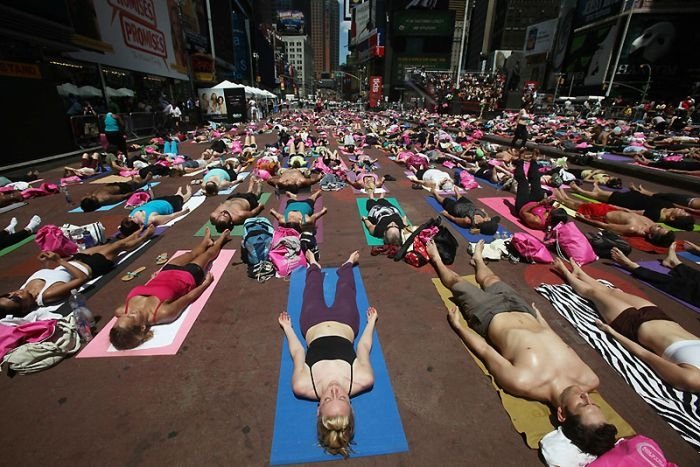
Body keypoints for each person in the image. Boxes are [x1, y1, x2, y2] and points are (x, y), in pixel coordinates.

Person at [428, 240, 618, 455]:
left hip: (488, 315)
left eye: (583, 405)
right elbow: (559, 343)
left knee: (457, 282)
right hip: (524, 312)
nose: (586, 396)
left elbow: (486, 351)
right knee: (492, 279)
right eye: (594, 403)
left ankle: (436, 259)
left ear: (562, 415)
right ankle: (478, 260)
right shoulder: (589, 378)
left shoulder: (524, 382)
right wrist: (541, 319)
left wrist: (459, 327)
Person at [277, 250, 377, 458]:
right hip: (347, 322)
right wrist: (371, 323)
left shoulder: (303, 385)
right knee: (346, 289)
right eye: (340, 397)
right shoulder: (363, 379)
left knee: (311, 289)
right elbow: (363, 348)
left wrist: (288, 328)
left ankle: (313, 263)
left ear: (318, 410)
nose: (333, 391)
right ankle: (347, 264)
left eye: (326, 400)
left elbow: (297, 352)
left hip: (312, 323)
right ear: (351, 405)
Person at [554, 257, 700, 392]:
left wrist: (612, 332)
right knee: (613, 291)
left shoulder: (692, 379)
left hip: (633, 324)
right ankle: (580, 273)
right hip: (661, 317)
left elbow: (646, 355)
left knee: (593, 293)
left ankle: (566, 273)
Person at [110, 228, 229, 350]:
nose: (129, 312)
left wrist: (152, 281)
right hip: (188, 276)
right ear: (142, 327)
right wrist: (205, 284)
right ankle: (221, 240)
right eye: (131, 317)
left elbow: (146, 292)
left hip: (165, 273)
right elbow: (188, 298)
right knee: (207, 255)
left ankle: (206, 241)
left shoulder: (120, 311)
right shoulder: (163, 313)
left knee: (190, 254)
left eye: (123, 316)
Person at [0, 226, 155, 317]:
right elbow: (81, 278)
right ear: (25, 308)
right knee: (119, 246)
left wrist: (46, 263)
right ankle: (144, 236)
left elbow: (50, 275)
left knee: (116, 243)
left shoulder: (25, 288)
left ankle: (136, 233)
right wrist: (58, 260)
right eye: (15, 299)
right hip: (91, 267)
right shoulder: (46, 295)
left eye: (8, 294)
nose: (14, 294)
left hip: (74, 261)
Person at [553, 188, 676, 247]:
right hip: (613, 210)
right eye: (660, 226)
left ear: (651, 236)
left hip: (602, 215)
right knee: (582, 204)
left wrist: (584, 219)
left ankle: (562, 199)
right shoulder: (649, 222)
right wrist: (615, 206)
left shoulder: (633, 229)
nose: (658, 226)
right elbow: (630, 212)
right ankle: (565, 198)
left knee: (579, 206)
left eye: (659, 229)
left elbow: (606, 226)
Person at [569, 183, 695, 231]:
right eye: (684, 211)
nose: (681, 210)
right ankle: (594, 191)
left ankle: (581, 191)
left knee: (603, 197)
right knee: (603, 195)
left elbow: (636, 212)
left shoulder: (657, 215)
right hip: (637, 198)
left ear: (673, 218)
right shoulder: (670, 206)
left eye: (682, 213)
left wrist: (615, 207)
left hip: (630, 203)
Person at [515, 160, 567, 230]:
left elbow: (523, 212)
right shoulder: (553, 215)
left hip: (524, 205)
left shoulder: (537, 221)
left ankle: (520, 161)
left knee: (523, 182)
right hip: (536, 202)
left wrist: (540, 203)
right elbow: (548, 207)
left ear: (551, 219)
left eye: (551, 212)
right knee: (536, 181)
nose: (550, 211)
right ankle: (534, 160)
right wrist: (550, 203)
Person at [119, 186, 192, 236]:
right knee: (183, 198)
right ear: (140, 226)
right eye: (133, 219)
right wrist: (182, 212)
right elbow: (170, 217)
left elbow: (123, 226)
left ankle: (178, 194)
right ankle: (187, 194)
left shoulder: (131, 217)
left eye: (130, 218)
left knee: (175, 196)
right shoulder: (151, 219)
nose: (132, 217)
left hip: (156, 201)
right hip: (170, 204)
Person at [431, 187, 500, 234]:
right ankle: (457, 193)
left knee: (443, 200)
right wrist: (483, 212)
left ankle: (435, 194)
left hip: (457, 208)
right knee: (460, 197)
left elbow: (454, 219)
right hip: (469, 205)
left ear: (486, 222)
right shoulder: (485, 216)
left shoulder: (468, 221)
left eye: (489, 220)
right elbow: (486, 215)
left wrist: (446, 214)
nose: (489, 218)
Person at [80, 175, 152, 212]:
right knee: (138, 185)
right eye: (92, 198)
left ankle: (134, 181)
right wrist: (136, 192)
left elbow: (86, 197)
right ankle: (146, 179)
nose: (92, 195)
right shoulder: (105, 199)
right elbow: (123, 197)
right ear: (94, 202)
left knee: (131, 183)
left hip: (115, 186)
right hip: (123, 189)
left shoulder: (91, 198)